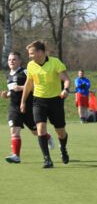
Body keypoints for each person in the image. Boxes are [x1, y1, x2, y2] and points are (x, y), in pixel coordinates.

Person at [20, 40, 71, 168]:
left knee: (61, 132)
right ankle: (47, 159)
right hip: (39, 101)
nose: (30, 56)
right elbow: (29, 84)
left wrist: (65, 89)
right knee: (41, 128)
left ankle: (63, 148)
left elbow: (66, 79)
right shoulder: (31, 65)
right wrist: (23, 101)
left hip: (55, 100)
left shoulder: (55, 62)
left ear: (40, 52)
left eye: (32, 53)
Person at [0, 52, 54, 164]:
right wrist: (7, 95)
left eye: (14, 59)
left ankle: (47, 137)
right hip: (14, 108)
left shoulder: (25, 72)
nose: (11, 61)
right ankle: (16, 155)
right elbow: (12, 91)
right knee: (14, 131)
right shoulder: (8, 75)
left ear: (20, 61)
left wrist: (21, 87)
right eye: (10, 59)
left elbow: (36, 85)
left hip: (28, 107)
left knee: (36, 132)